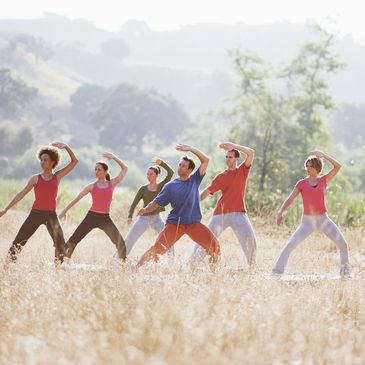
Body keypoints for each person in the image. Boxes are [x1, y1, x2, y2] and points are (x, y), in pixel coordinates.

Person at [136, 144, 220, 268]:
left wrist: (191, 149)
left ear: (190, 170)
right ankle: (135, 268)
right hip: (175, 225)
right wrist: (145, 209)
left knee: (215, 247)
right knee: (156, 250)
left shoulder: (195, 180)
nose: (180, 168)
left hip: (194, 225)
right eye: (179, 165)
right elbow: (157, 202)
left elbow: (206, 160)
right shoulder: (170, 186)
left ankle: (213, 274)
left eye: (183, 166)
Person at [272, 150, 350, 278]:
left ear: (317, 167)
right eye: (307, 166)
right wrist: (280, 212)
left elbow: (338, 166)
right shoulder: (301, 183)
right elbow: (290, 198)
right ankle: (276, 273)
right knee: (290, 245)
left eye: (311, 166)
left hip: (323, 219)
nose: (308, 168)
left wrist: (324, 155)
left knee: (343, 244)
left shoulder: (324, 180)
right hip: (307, 222)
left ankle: (345, 275)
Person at [0, 142, 78, 265]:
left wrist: (67, 147)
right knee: (19, 241)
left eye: (45, 160)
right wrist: (6, 209)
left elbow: (74, 162)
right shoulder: (35, 178)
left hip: (51, 215)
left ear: (53, 162)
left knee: (60, 244)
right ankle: (7, 266)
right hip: (35, 214)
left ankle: (58, 269)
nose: (42, 162)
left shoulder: (57, 176)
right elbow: (21, 194)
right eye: (41, 160)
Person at [191, 142, 257, 267]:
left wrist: (233, 146)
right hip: (220, 214)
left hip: (239, 214)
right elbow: (207, 191)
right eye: (226, 157)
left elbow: (251, 153)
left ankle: (252, 267)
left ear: (237, 158)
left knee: (250, 239)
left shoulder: (242, 170)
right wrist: (193, 202)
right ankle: (192, 264)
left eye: (230, 157)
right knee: (207, 240)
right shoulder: (221, 176)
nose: (228, 159)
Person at [59, 152, 127, 262]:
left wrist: (114, 157)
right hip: (91, 217)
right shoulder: (91, 186)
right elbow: (77, 199)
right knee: (74, 239)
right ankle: (60, 262)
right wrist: (64, 211)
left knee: (121, 243)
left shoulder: (112, 184)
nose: (96, 171)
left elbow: (125, 169)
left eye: (99, 169)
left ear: (105, 171)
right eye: (95, 169)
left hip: (105, 218)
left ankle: (123, 265)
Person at [124, 158, 174, 256]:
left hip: (157, 218)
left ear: (157, 175)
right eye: (147, 174)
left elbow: (170, 173)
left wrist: (161, 163)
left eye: (151, 174)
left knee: (167, 238)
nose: (149, 176)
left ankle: (171, 260)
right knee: (130, 238)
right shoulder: (143, 189)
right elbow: (134, 204)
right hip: (143, 218)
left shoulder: (161, 186)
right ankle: (119, 258)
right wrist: (130, 216)